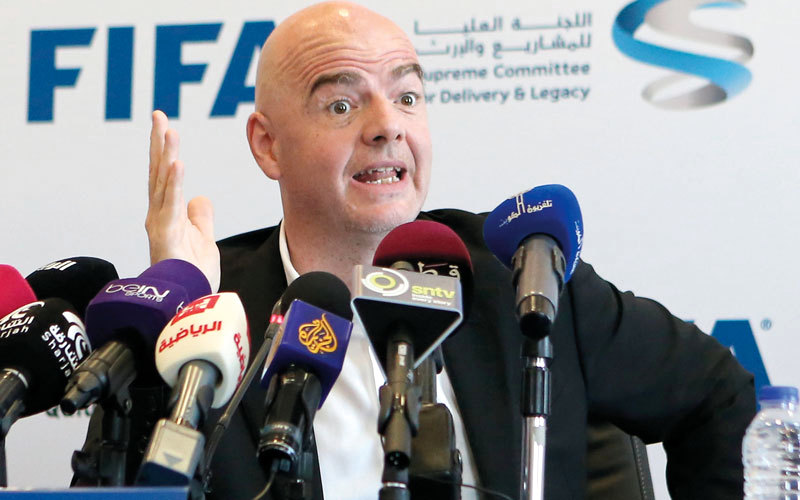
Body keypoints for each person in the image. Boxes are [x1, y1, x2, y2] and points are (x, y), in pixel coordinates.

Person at [139, 2, 756, 499]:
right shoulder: (217, 313)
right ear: (268, 145)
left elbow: (718, 394)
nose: (388, 125)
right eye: (342, 104)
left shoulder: (519, 278)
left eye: (407, 97)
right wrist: (174, 325)